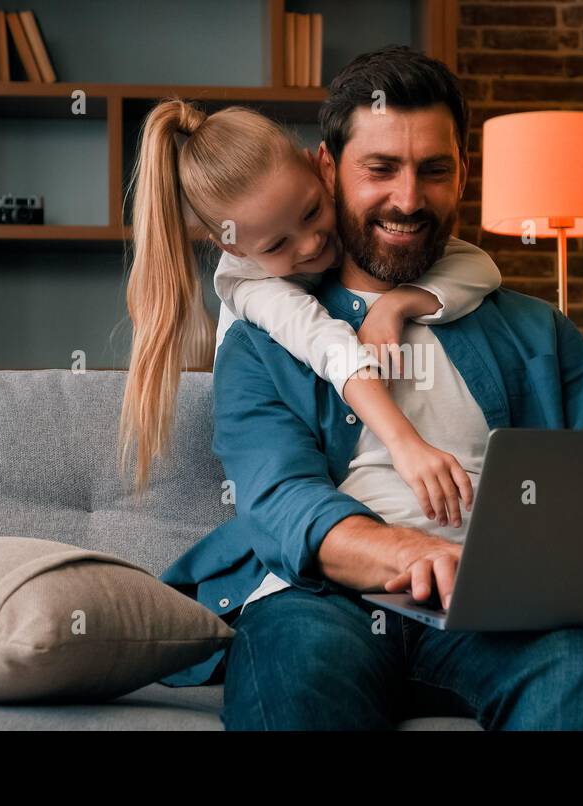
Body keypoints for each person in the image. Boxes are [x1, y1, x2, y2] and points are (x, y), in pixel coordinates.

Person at [157, 45, 583, 731]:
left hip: (495, 609)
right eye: (380, 168)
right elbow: (279, 500)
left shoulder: (537, 331)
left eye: (434, 171)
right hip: (322, 599)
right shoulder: (265, 338)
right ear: (325, 168)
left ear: (463, 176)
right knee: (295, 672)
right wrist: (418, 553)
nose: (408, 199)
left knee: (579, 663)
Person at [116, 98, 500, 525]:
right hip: (276, 427)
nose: (311, 243)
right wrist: (405, 443)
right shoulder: (248, 285)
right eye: (277, 246)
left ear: (318, 168)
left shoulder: (350, 220)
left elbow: (478, 264)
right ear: (233, 247)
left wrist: (397, 304)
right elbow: (331, 348)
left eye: (312, 211)